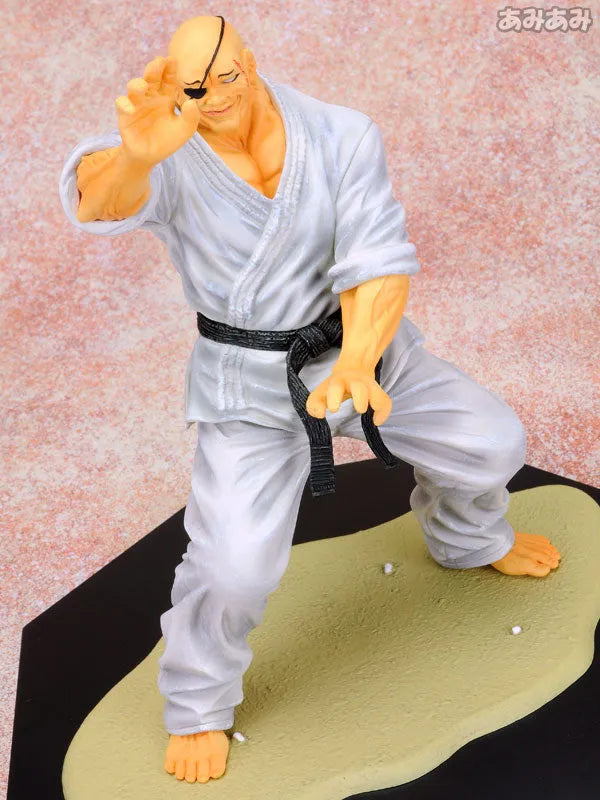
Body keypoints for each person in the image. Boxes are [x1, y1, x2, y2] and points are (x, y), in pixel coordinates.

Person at [59, 14, 561, 785]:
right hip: (247, 384)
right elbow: (100, 202)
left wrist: (358, 361)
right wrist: (134, 155)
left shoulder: (339, 134)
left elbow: (378, 259)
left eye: (227, 78)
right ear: (177, 87)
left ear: (250, 61)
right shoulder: (169, 143)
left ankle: (466, 536)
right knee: (233, 569)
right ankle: (197, 703)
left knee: (490, 442)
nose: (214, 98)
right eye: (196, 87)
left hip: (363, 348)